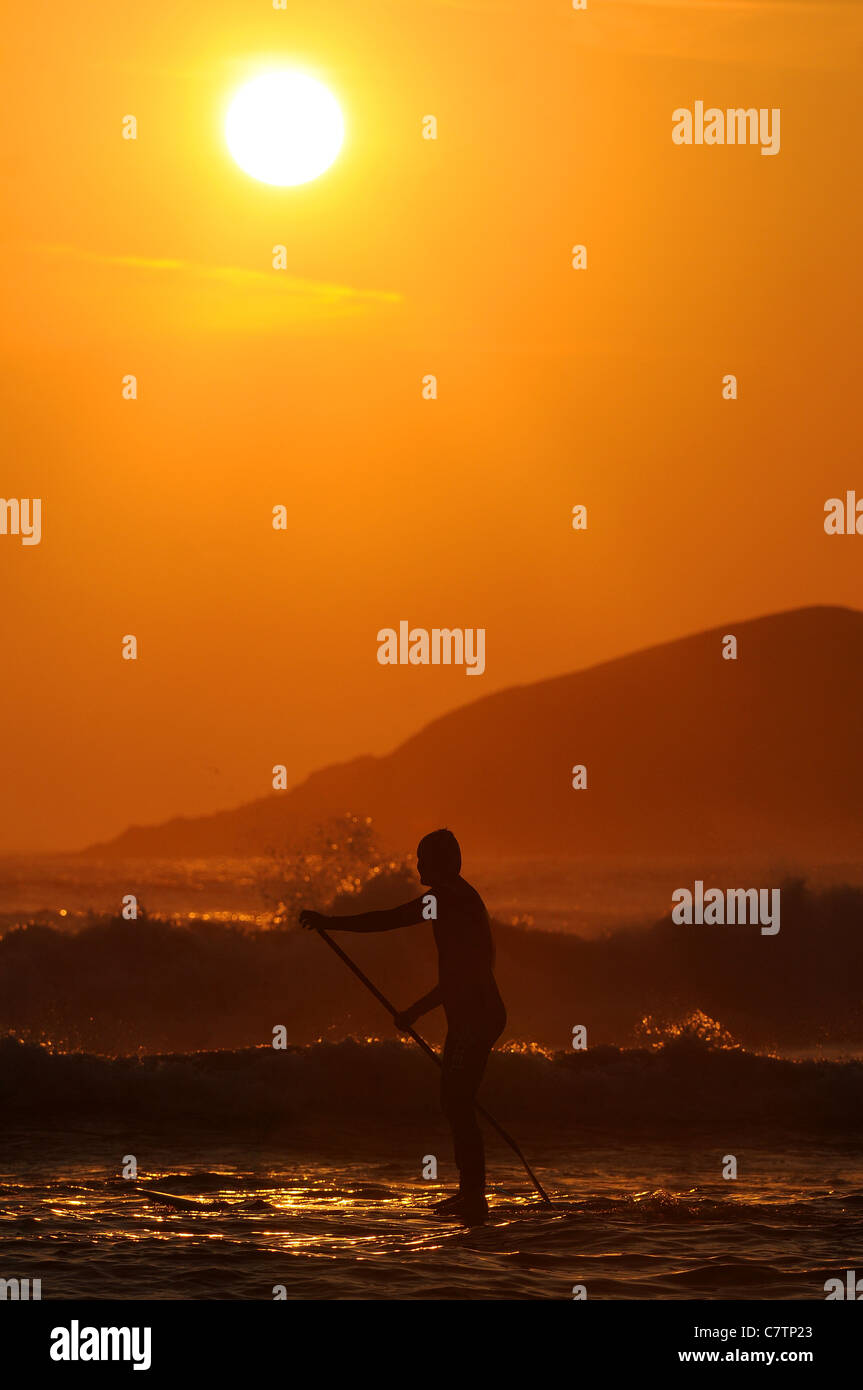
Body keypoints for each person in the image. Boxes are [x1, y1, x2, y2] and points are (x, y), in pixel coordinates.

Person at [300, 828, 506, 1224]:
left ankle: (474, 1197)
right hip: (470, 1015)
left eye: (423, 858)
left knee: (457, 1101)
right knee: (455, 1100)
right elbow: (401, 928)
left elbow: (400, 925)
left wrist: (414, 1011)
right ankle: (469, 1193)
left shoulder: (451, 901)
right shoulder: (453, 898)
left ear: (441, 863)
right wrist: (417, 1011)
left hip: (477, 1017)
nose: (417, 865)